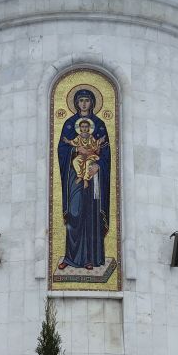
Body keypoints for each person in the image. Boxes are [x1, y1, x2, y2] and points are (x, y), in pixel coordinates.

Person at [57, 88, 110, 271]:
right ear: (76, 103)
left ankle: (91, 259)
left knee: (91, 216)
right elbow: (62, 150)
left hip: (94, 177)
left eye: (87, 100)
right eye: (81, 101)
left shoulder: (100, 125)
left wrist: (99, 165)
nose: (84, 104)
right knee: (74, 213)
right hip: (74, 177)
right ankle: (70, 258)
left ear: (92, 103)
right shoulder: (70, 125)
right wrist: (76, 151)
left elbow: (106, 152)